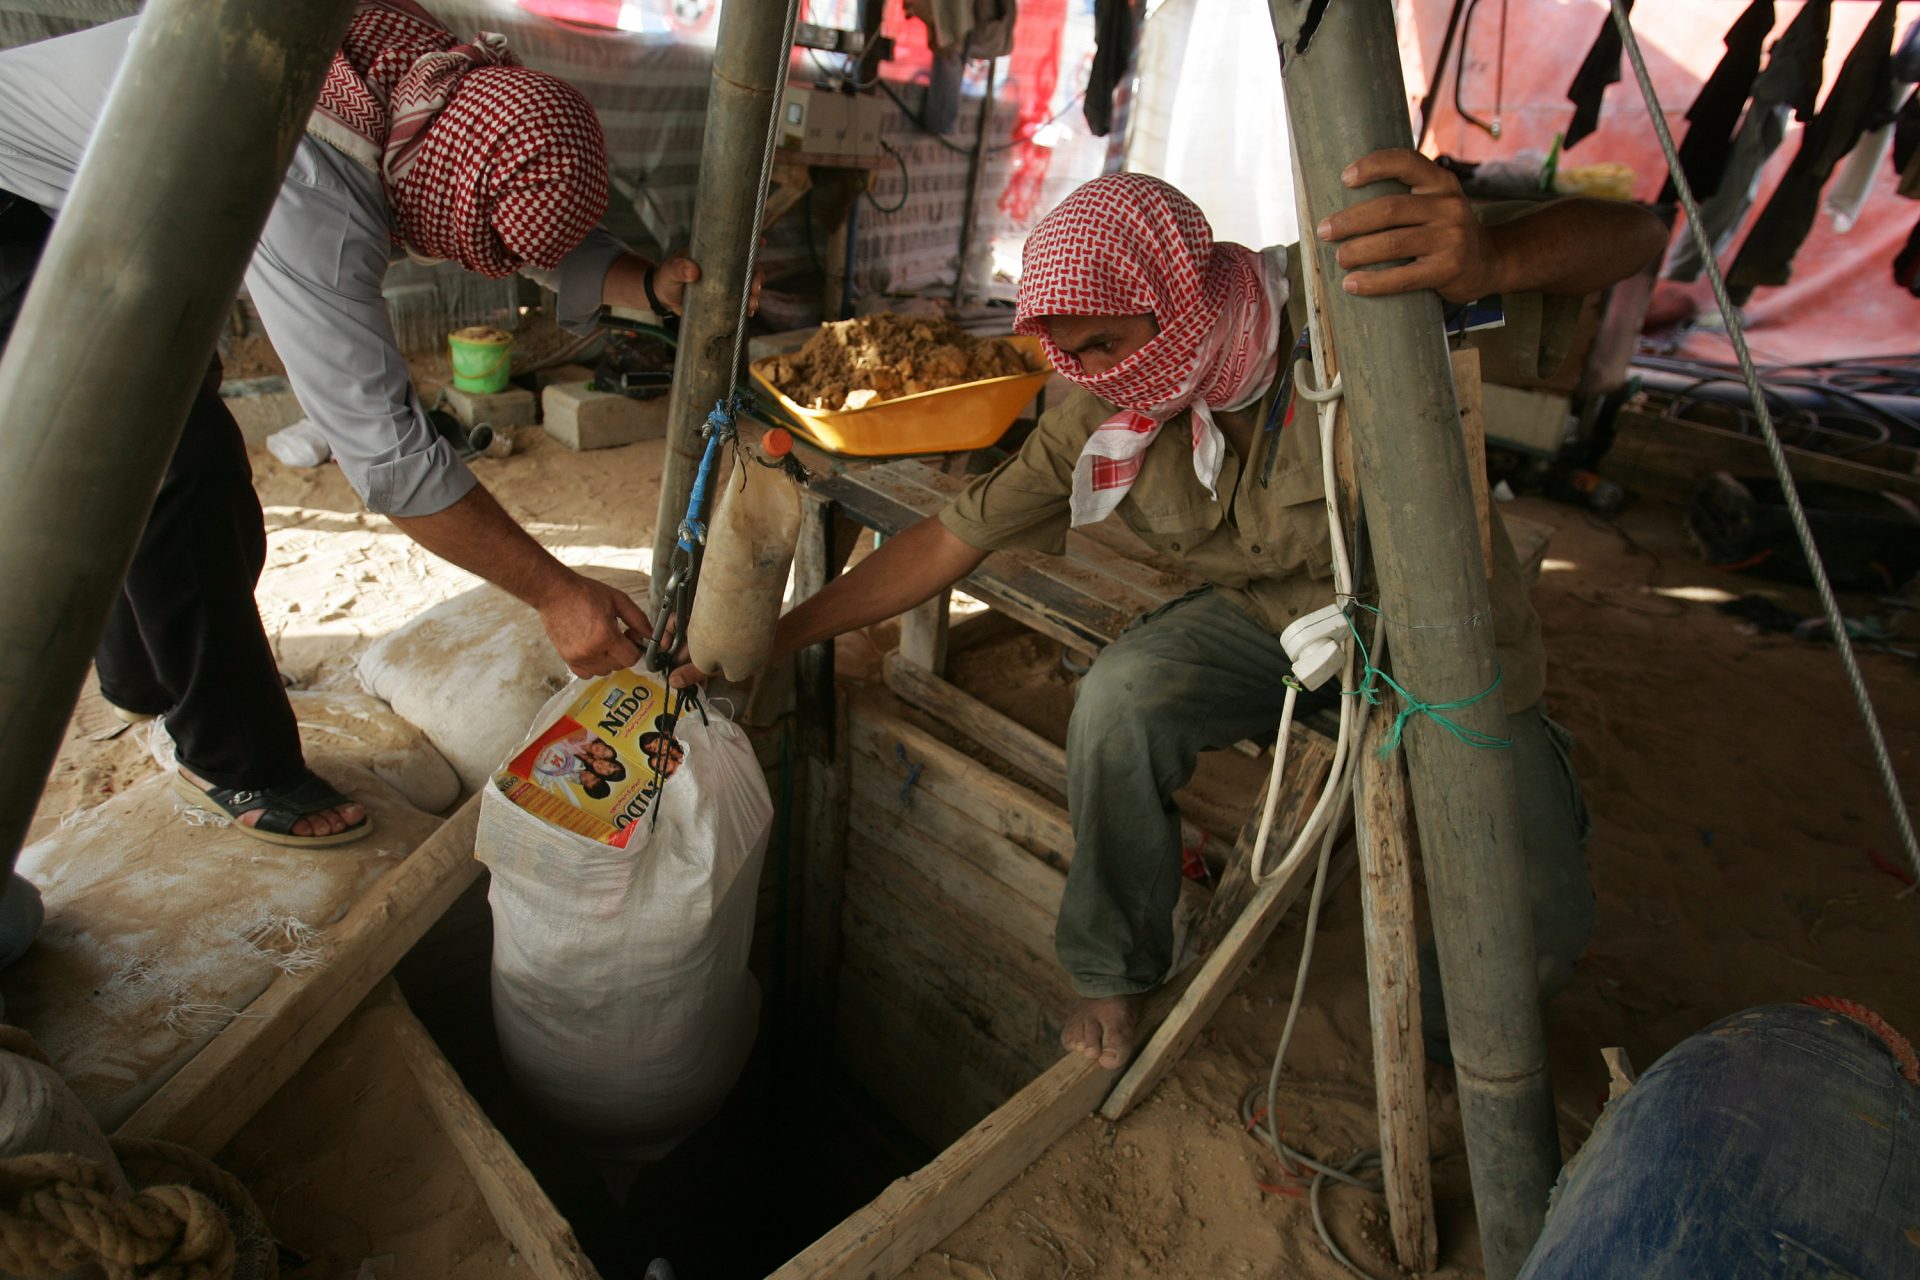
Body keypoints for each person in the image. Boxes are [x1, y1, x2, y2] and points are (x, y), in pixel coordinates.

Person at [676, 150, 1666, 1067]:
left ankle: (1453, 1052)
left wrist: (1492, 253)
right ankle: (1116, 971)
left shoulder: (1343, 297)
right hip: (1276, 625)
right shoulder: (1106, 405)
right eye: (1070, 356)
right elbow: (948, 538)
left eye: (1106, 343)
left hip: (1442, 634)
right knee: (1122, 698)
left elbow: (1635, 237)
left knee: (1533, 901)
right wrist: (780, 635)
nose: (1095, 375)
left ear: (1175, 295)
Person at [0, 1, 746, 846]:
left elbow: (493, 186)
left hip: (115, 195)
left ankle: (145, 678)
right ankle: (235, 760)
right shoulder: (311, 193)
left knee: (148, 447)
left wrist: (642, 284)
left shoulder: (425, 85)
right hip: (12, 205)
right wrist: (555, 592)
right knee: (183, 463)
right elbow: (387, 455)